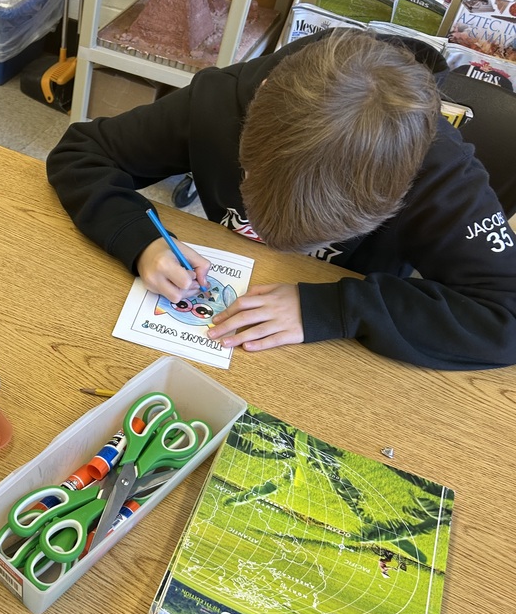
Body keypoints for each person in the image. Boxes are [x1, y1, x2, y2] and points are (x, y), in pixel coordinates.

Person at [46, 28, 516, 370]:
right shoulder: (218, 103)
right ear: (258, 104)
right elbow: (81, 152)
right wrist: (140, 239)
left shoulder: (440, 172)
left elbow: (506, 317)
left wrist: (338, 308)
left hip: (337, 353)